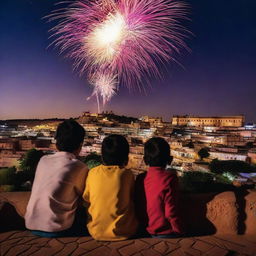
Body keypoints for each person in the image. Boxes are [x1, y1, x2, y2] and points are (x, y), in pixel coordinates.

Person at [25, 119, 88, 237]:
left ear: (56, 143)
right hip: (57, 228)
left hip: (30, 224)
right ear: (80, 145)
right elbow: (83, 194)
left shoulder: (43, 160)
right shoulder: (79, 167)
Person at [83, 134, 138, 241]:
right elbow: (132, 196)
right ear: (126, 157)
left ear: (102, 156)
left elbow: (86, 199)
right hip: (125, 231)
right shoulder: (127, 174)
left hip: (95, 231)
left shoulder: (93, 172)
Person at [138, 137, 184, 238]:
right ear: (170, 160)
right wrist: (178, 229)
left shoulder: (141, 178)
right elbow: (170, 211)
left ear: (145, 160)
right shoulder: (170, 178)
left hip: (144, 229)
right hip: (165, 232)